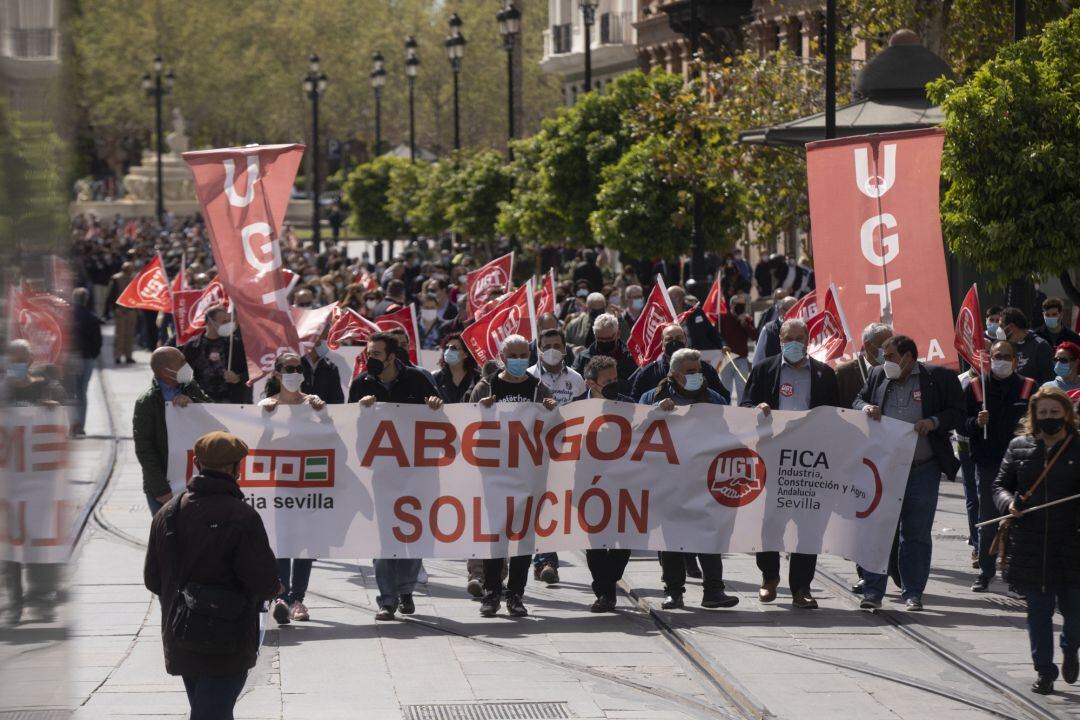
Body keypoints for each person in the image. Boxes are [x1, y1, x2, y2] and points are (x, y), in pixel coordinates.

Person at [143, 431, 280, 720]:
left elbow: (153, 579)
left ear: (198, 465)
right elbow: (263, 581)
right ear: (236, 468)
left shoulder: (169, 513)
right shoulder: (242, 516)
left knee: (208, 709)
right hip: (229, 638)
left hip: (182, 633)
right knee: (212, 712)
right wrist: (273, 587)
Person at [854, 335, 964, 611]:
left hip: (922, 468)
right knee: (878, 529)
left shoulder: (937, 377)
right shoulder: (879, 376)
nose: (885, 361)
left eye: (890, 356)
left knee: (915, 532)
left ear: (908, 357)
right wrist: (866, 408)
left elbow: (958, 411)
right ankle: (872, 591)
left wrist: (933, 422)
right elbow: (857, 400)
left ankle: (913, 592)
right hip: (883, 469)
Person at [741, 318, 840, 609]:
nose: (795, 343)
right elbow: (745, 404)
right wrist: (756, 408)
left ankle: (801, 588)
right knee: (771, 523)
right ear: (780, 341)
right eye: (789, 338)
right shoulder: (764, 369)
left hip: (810, 463)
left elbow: (835, 414)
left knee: (809, 526)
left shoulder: (824, 373)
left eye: (800, 338)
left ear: (808, 341)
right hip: (773, 458)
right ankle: (769, 577)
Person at [992, 387, 1080, 695]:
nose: (1049, 419)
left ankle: (1071, 647)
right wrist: (1009, 504)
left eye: (1054, 413)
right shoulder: (1020, 446)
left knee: (1075, 611)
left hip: (1071, 543)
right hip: (1030, 542)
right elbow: (1000, 485)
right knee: (1038, 612)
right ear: (1034, 416)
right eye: (1043, 413)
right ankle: (1044, 670)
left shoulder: (1077, 447)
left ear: (1066, 414)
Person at [351, 332, 444, 620]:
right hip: (382, 472)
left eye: (376, 355)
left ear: (392, 357)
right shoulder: (361, 385)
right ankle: (387, 599)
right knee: (384, 536)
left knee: (412, 532)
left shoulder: (418, 379)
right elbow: (349, 426)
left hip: (417, 472)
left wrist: (435, 409)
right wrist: (362, 412)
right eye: (369, 354)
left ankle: (406, 589)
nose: (371, 360)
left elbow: (444, 422)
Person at [640, 348, 738, 610]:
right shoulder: (653, 396)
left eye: (699, 371)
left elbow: (729, 435)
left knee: (708, 534)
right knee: (671, 538)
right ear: (674, 374)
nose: (697, 376)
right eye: (690, 372)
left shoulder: (715, 400)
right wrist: (655, 411)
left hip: (703, 479)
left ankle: (714, 591)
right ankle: (673, 591)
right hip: (667, 481)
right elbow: (634, 428)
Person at [469, 335, 557, 617]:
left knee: (523, 537)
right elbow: (467, 421)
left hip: (527, 475)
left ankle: (516, 595)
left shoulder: (537, 389)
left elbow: (553, 426)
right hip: (493, 474)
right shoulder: (486, 385)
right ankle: (492, 593)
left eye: (524, 355)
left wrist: (552, 410)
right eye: (514, 355)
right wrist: (481, 409)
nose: (520, 360)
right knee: (496, 536)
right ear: (502, 357)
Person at [259, 353, 327, 624]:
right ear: (277, 373)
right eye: (289, 368)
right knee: (281, 541)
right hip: (278, 484)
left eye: (299, 368)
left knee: (304, 543)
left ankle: (297, 598)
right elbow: (260, 447)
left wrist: (322, 415)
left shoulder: (311, 403)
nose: (295, 372)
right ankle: (280, 596)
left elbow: (331, 438)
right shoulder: (267, 405)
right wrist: (264, 419)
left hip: (308, 483)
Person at [964, 340, 1036, 592]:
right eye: (997, 356)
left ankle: (1017, 575)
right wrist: (976, 422)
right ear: (989, 359)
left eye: (1006, 356)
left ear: (1015, 361)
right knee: (988, 519)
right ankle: (985, 571)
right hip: (988, 463)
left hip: (1022, 464)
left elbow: (1037, 422)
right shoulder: (975, 387)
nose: (1001, 360)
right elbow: (961, 424)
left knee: (1021, 518)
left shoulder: (1029, 387)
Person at [3, 340, 65, 626]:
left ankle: (41, 597)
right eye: (11, 358)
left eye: (21, 358)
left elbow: (62, 423)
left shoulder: (46, 388)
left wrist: (53, 407)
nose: (16, 363)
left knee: (38, 539)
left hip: (39, 484)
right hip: (9, 483)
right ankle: (15, 601)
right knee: (11, 545)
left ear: (30, 360)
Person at [527, 328, 586, 584]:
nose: (551, 349)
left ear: (564, 348)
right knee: (540, 505)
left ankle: (544, 559)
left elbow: (585, 412)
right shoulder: (528, 377)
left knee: (555, 505)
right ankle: (546, 560)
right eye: (546, 344)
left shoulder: (576, 379)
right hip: (534, 452)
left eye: (556, 344)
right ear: (539, 348)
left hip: (566, 451)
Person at [578, 355, 633, 611]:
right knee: (596, 542)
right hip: (588, 486)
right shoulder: (574, 409)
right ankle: (604, 593)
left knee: (625, 540)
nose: (614, 384)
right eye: (607, 381)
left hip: (624, 485)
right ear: (591, 383)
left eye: (615, 379)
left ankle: (610, 578)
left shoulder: (629, 406)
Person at [133, 347, 210, 515]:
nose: (186, 365)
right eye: (181, 362)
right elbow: (144, 450)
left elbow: (213, 413)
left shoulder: (190, 387)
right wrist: (161, 490)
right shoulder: (147, 402)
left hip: (194, 479)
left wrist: (194, 403)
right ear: (165, 371)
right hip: (164, 487)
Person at [628, 323, 729, 403]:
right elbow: (636, 404)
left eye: (678, 338)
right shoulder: (648, 373)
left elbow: (724, 399)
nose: (674, 342)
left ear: (685, 341)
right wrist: (657, 406)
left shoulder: (705, 369)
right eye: (669, 339)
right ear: (662, 345)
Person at [181, 305, 251, 404]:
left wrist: (239, 377)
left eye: (228, 321)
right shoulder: (193, 346)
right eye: (224, 322)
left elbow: (252, 370)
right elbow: (184, 376)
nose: (228, 324)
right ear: (210, 322)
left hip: (232, 402)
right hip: (201, 402)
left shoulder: (236, 344)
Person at [572, 313, 638, 397]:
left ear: (618, 334)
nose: (604, 342)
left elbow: (636, 387)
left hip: (623, 405)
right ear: (595, 336)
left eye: (608, 339)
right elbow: (575, 383)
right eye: (600, 339)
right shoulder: (584, 358)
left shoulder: (631, 357)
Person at [70, 286, 103, 437]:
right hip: (86, 358)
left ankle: (72, 424)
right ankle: (80, 426)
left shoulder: (65, 315)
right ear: (86, 300)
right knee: (82, 393)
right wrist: (92, 355)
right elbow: (98, 341)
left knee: (71, 392)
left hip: (70, 358)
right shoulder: (91, 317)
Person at [998, 307, 1054, 384]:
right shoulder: (1006, 345)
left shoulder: (1040, 346)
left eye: (1001, 326)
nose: (998, 330)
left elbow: (1048, 380)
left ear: (1011, 327)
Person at [751, 295, 798, 366]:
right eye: (791, 310)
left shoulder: (803, 329)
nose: (795, 313)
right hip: (772, 373)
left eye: (797, 310)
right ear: (781, 310)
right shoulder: (768, 329)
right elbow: (758, 358)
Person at [434, 333, 480, 404]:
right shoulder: (436, 377)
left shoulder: (477, 378)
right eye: (447, 348)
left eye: (453, 348)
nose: (448, 351)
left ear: (465, 354)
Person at [301, 337, 345, 405]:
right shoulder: (296, 365)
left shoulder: (331, 367)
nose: (324, 344)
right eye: (318, 343)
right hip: (300, 412)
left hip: (323, 413)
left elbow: (337, 399)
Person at [109, 262, 137, 364]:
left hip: (131, 310)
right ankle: (117, 356)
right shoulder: (116, 279)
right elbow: (111, 295)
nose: (131, 271)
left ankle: (129, 356)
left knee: (130, 335)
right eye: (130, 269)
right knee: (119, 335)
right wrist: (114, 309)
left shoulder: (134, 279)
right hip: (120, 311)